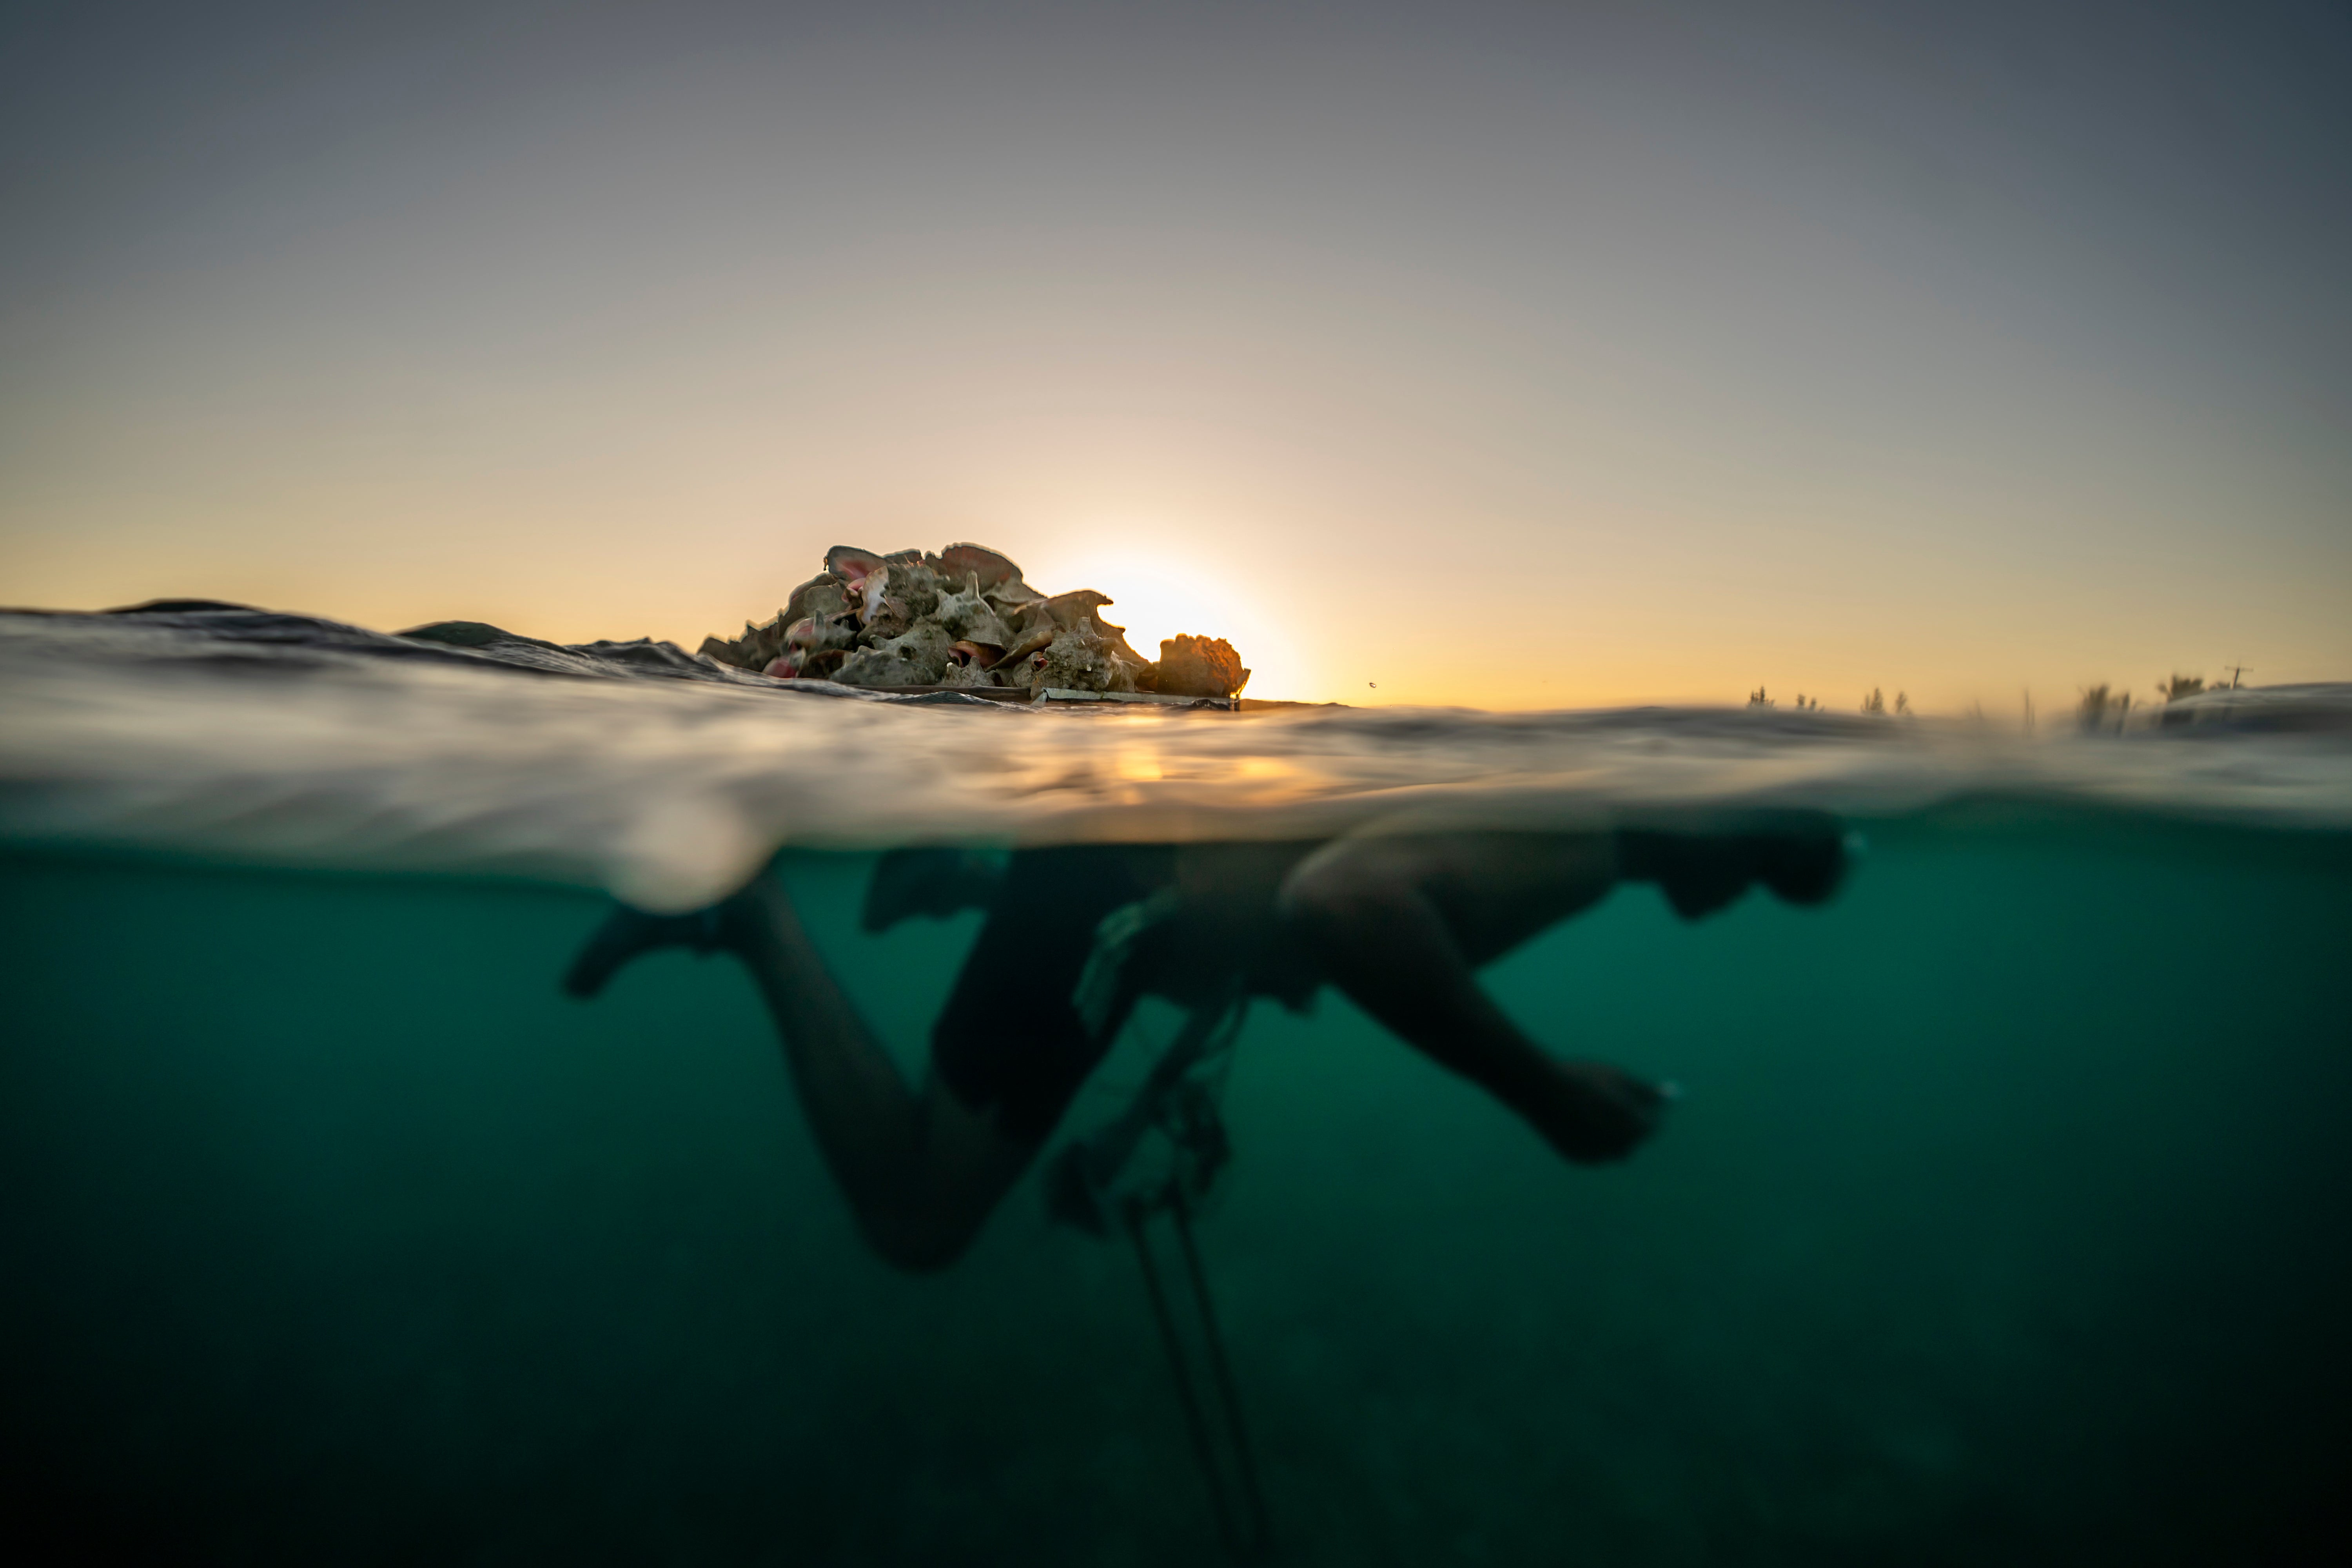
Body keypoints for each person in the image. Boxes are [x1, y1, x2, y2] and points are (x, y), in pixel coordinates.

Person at [563, 822, 1849, 1272]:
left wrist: (1146, 1112)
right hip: (1117, 901)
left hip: (1141, 900)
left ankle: (968, 878)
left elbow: (1295, 901)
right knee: (917, 1222)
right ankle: (753, 911)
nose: (1747, 894)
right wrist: (1547, 1093)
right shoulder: (1586, 845)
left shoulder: (1582, 834)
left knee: (1166, 936)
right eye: (1766, 863)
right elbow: (1345, 906)